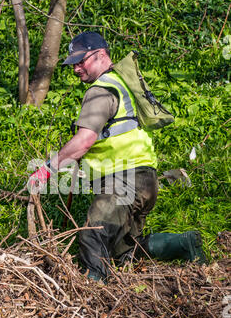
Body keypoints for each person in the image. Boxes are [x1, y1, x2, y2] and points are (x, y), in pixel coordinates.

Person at [28, 31, 207, 282]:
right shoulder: (120, 83)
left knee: (93, 234)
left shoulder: (100, 91)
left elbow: (84, 140)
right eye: (74, 63)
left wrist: (47, 169)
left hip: (123, 179)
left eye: (82, 61)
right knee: (123, 250)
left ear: (101, 54)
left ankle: (92, 293)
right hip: (145, 179)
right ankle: (183, 244)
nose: (77, 68)